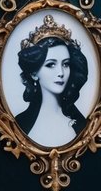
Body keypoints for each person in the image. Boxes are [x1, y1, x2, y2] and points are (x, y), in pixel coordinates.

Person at [15, 17, 89, 148]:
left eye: (65, 64)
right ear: (34, 73)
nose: (61, 72)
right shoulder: (20, 123)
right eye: (51, 65)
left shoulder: (81, 123)